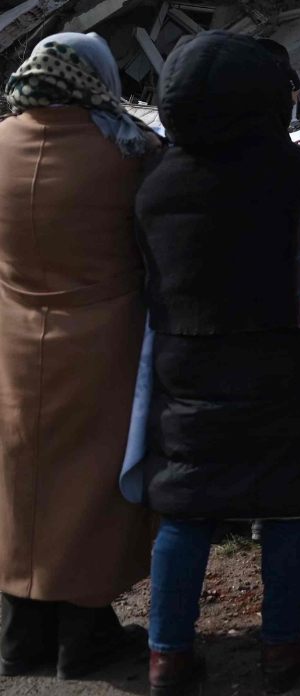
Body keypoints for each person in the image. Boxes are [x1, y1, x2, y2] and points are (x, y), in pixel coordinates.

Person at [137, 32, 300, 696]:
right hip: (290, 365)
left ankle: (167, 655)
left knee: (187, 506)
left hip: (189, 363)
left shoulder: (157, 181)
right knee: (287, 507)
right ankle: (281, 648)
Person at [0, 34, 158, 681]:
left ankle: (19, 632)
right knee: (90, 491)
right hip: (105, 343)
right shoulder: (127, 150)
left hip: (13, 343)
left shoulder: (3, 143)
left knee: (21, 482)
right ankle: (83, 633)